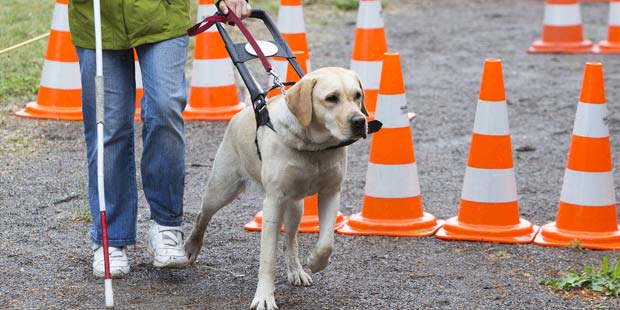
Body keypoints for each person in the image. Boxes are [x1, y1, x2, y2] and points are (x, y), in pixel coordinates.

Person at [68, 0, 251, 278]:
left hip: (162, 14)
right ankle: (111, 239)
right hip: (96, 19)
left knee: (164, 109)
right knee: (109, 126)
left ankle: (167, 227)